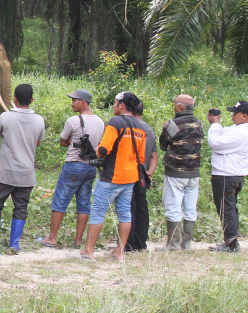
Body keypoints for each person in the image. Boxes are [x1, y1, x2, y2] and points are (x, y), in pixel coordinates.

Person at [0, 84, 45, 252]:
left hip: (5, 172)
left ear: (14, 99)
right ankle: (14, 245)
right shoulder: (39, 120)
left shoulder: (6, 117)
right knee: (21, 207)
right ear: (32, 100)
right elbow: (37, 142)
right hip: (26, 173)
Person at [80, 91, 146, 262]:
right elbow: (141, 157)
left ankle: (89, 250)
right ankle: (120, 251)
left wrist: (96, 154)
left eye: (115, 103)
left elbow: (103, 150)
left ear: (121, 105)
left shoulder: (115, 122)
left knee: (98, 212)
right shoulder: (140, 127)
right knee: (125, 213)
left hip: (111, 176)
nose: (114, 106)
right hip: (130, 178)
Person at [38, 89, 104, 249]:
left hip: (73, 164)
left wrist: (70, 141)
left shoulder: (73, 121)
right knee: (83, 203)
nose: (72, 103)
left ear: (83, 102)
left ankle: (52, 237)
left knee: (60, 200)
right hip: (90, 167)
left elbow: (62, 141)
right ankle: (79, 240)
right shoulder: (100, 122)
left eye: (75, 100)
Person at [206, 100, 248, 253]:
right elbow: (224, 133)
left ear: (244, 116)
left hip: (228, 175)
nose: (233, 115)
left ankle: (231, 243)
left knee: (226, 208)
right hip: (231, 174)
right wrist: (217, 122)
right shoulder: (239, 129)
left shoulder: (242, 132)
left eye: (235, 113)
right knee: (229, 207)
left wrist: (214, 125)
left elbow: (215, 143)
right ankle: (230, 240)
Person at [157, 94, 203, 251]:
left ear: (181, 107)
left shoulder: (173, 124)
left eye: (175, 104)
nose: (174, 106)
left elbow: (163, 144)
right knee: (190, 208)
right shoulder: (199, 123)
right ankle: (186, 244)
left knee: (173, 206)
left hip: (175, 172)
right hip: (194, 172)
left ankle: (173, 244)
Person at [125, 99, 158, 252]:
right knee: (141, 206)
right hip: (142, 174)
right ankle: (141, 242)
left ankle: (128, 243)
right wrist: (149, 173)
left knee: (128, 207)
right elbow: (154, 156)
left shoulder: (130, 127)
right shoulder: (149, 129)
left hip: (130, 172)